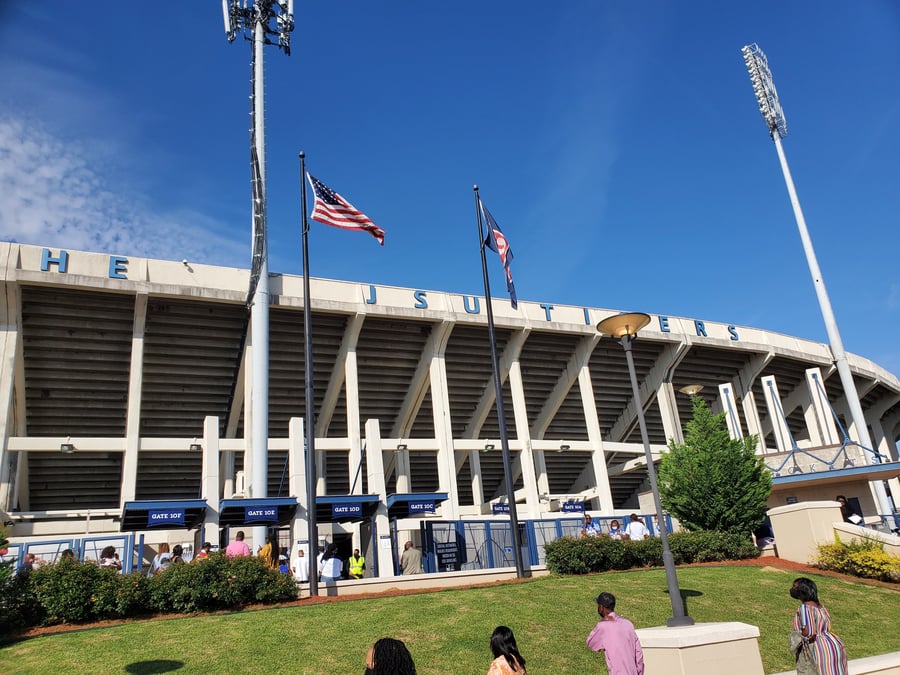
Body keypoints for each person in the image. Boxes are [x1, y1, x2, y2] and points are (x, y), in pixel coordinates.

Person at [790, 577, 848, 675]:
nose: (792, 590)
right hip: (833, 644)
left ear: (803, 591)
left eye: (795, 588)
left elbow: (809, 632)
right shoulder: (821, 607)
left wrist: (797, 640)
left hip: (818, 648)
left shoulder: (804, 608)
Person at [587, 591, 645, 675]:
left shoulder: (603, 626)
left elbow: (591, 643)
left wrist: (602, 621)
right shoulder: (628, 624)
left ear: (601, 607)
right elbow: (638, 653)